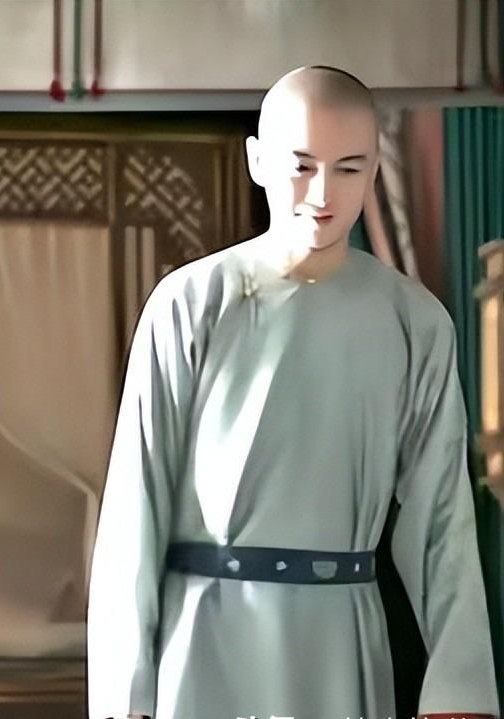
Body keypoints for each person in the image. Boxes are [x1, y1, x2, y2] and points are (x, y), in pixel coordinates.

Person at [86, 65, 500, 719]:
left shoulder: (413, 320)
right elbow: (136, 508)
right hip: (203, 637)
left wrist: (459, 692)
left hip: (340, 636)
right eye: (301, 166)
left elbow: (441, 521)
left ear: (372, 170)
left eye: (348, 168)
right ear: (257, 161)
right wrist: (123, 697)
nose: (322, 192)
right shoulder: (190, 303)